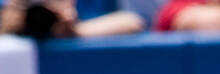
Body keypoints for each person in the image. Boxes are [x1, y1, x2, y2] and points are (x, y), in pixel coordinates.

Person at [0, 0, 144, 34]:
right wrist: (6, 29)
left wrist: (75, 31)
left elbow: (133, 22)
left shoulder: (88, 7)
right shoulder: (12, 10)